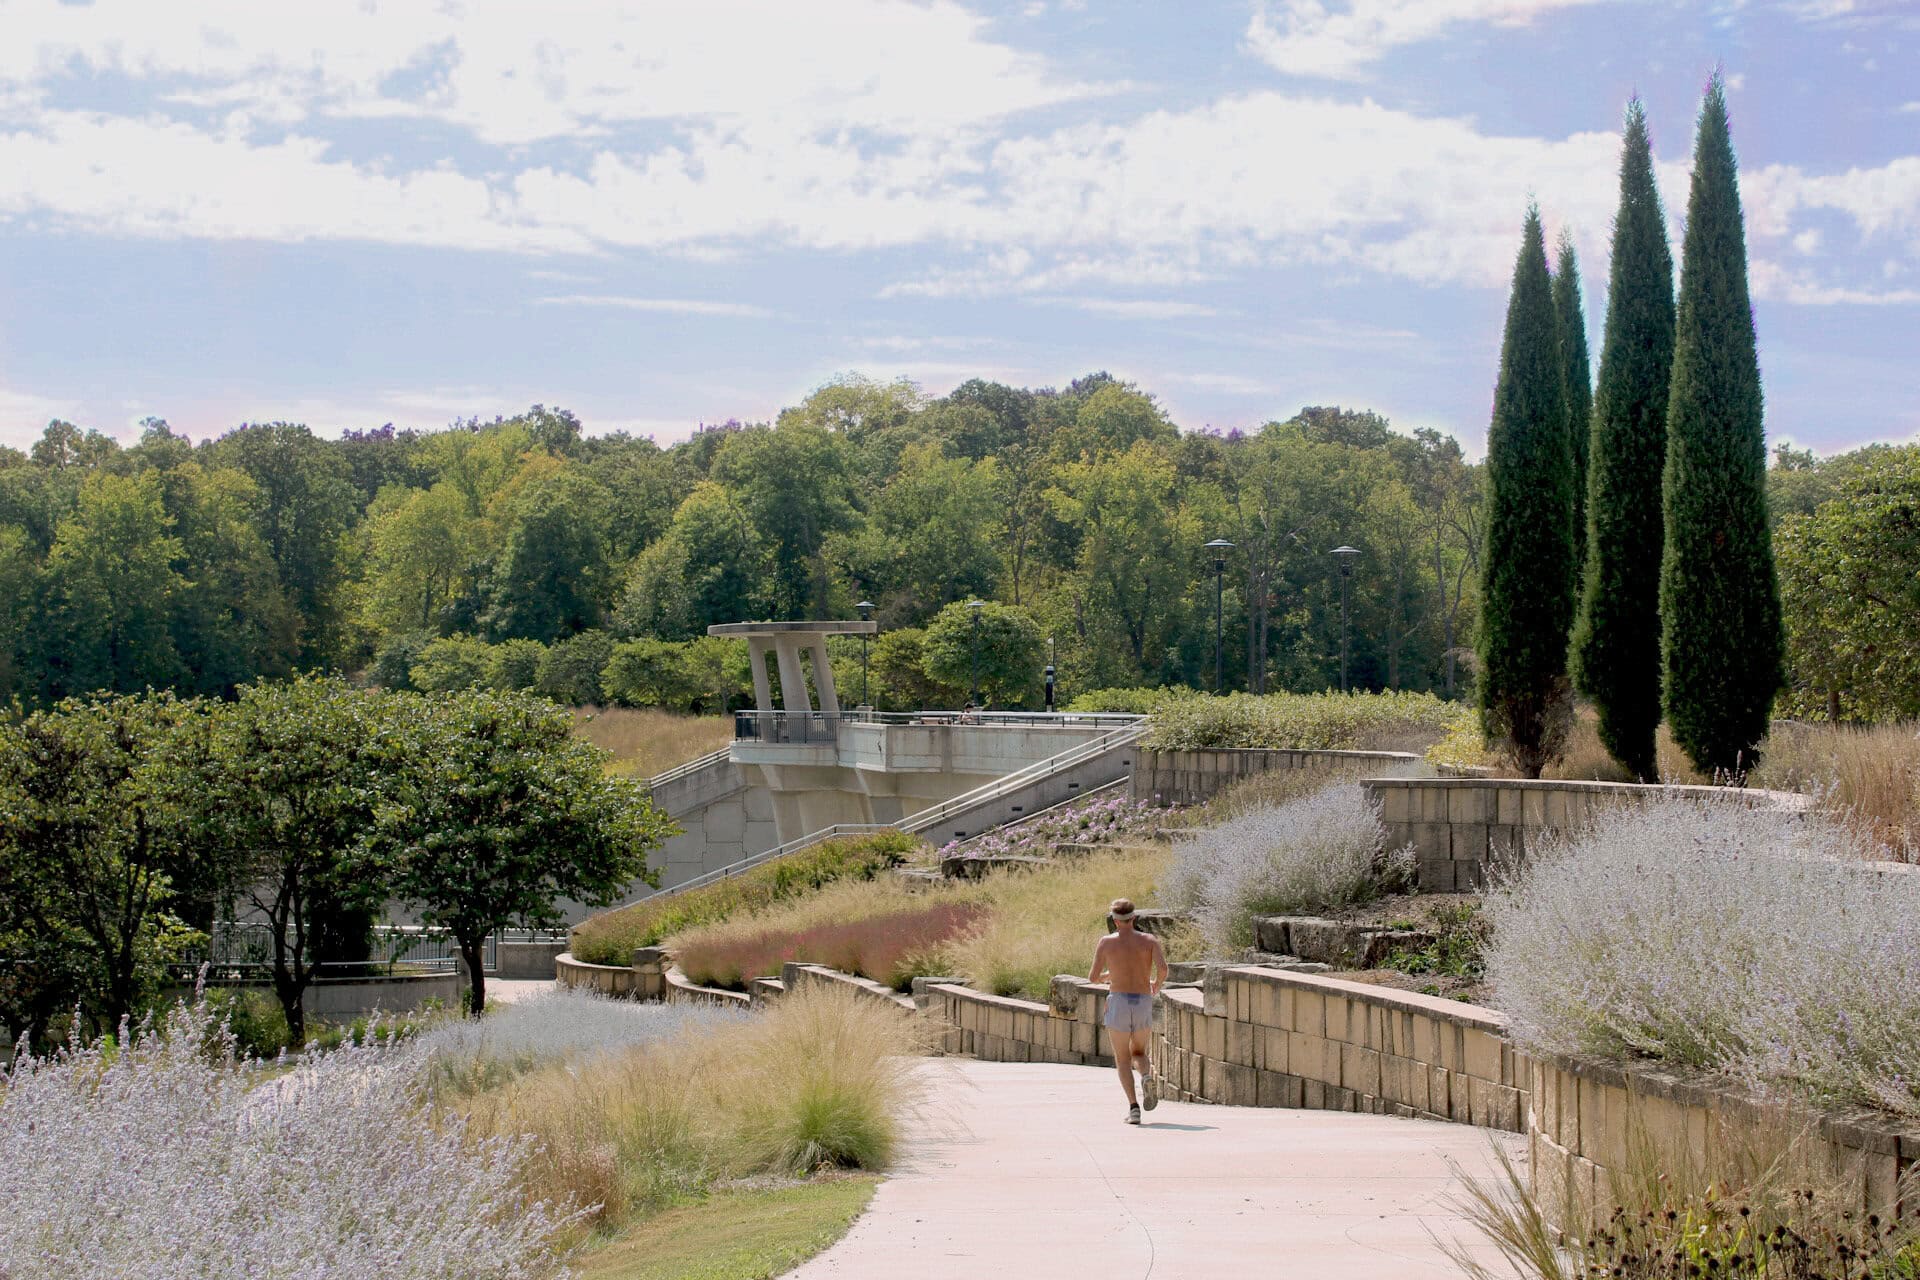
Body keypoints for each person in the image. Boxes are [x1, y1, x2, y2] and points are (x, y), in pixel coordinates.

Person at [1088, 897, 1169, 1125]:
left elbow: (1093, 978)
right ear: (1134, 918)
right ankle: (1145, 1076)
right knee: (1139, 1053)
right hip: (1142, 1000)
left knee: (1122, 1059)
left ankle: (1134, 1109)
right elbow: (1163, 969)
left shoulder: (1106, 942)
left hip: (1119, 1002)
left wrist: (1108, 975)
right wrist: (1156, 985)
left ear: (1114, 920)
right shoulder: (1149, 940)